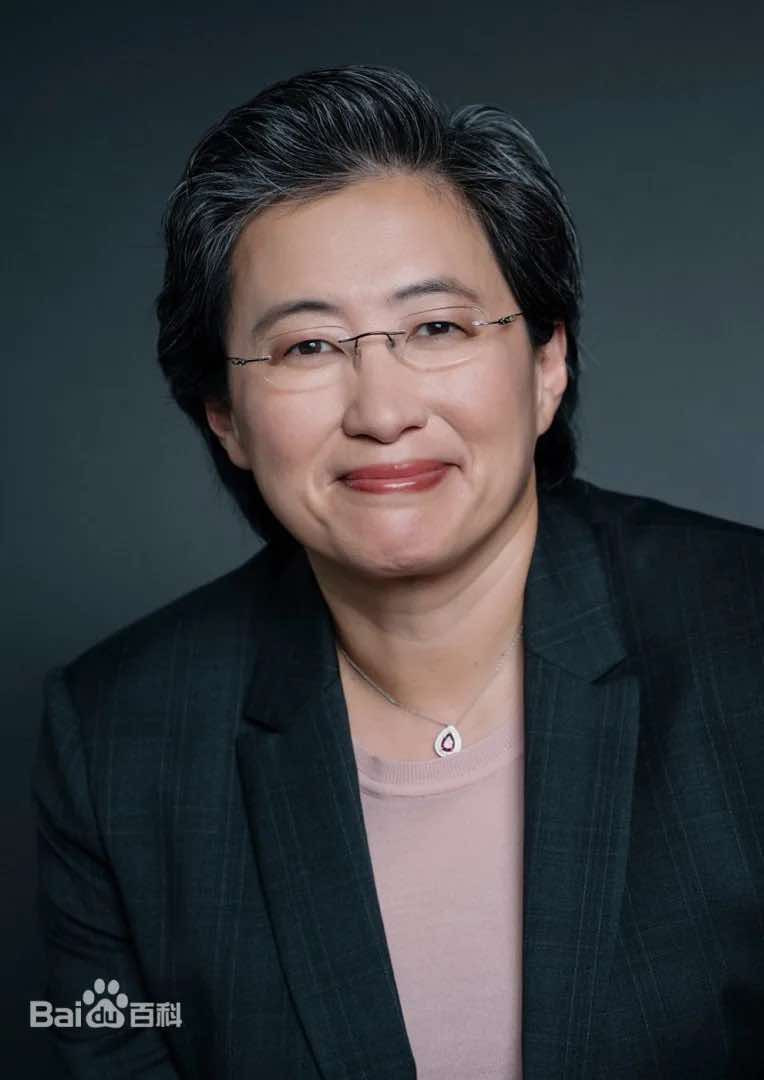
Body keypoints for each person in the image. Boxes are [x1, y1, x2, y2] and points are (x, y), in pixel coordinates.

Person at [31, 63, 764, 1079]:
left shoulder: (743, 639)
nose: (382, 412)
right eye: (305, 347)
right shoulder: (117, 738)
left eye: (436, 327)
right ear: (224, 415)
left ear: (546, 362)